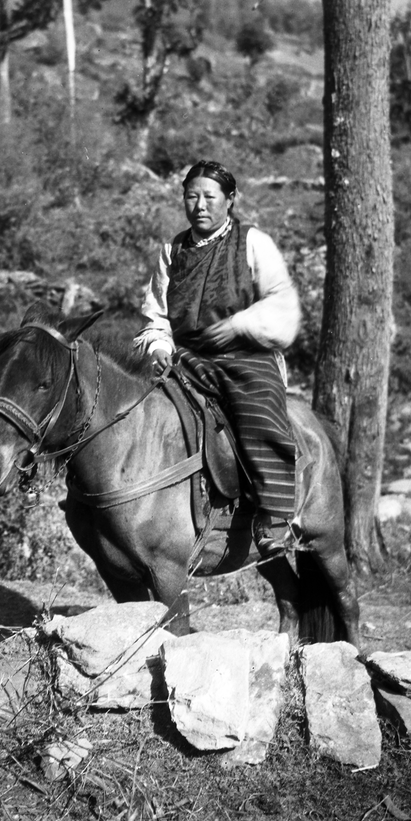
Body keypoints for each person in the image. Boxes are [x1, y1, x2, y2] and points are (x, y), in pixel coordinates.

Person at [134, 160, 302, 557]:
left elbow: (283, 304)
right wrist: (159, 348)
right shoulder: (172, 252)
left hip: (246, 356)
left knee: (255, 406)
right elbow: (154, 316)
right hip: (188, 358)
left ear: (231, 200)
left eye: (210, 197)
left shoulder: (252, 241)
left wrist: (241, 324)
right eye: (192, 196)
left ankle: (274, 514)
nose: (200, 206)